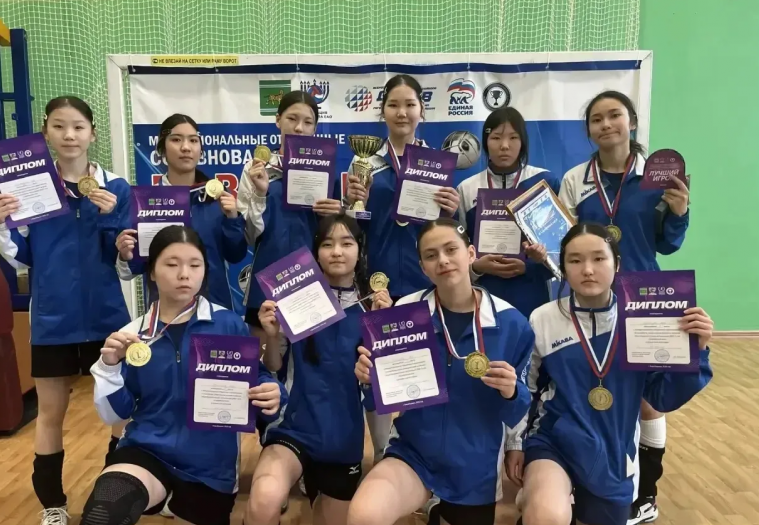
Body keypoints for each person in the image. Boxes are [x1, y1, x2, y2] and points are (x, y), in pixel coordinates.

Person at [505, 222, 712, 525]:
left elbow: (663, 397)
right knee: (546, 516)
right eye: (575, 260)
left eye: (599, 258)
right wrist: (515, 442)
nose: (588, 269)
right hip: (555, 441)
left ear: (617, 264)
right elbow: (527, 388)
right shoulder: (544, 318)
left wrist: (697, 351)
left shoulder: (644, 319)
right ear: (563, 267)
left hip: (615, 450)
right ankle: (539, 500)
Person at [0, 96, 130, 525]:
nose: (70, 135)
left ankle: (112, 498)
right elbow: (22, 258)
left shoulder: (117, 187)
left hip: (107, 317)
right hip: (53, 318)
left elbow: (126, 261)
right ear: (46, 131)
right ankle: (53, 504)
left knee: (121, 412)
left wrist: (112, 220)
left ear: (92, 133)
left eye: (78, 127)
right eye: (60, 126)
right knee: (51, 414)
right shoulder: (28, 187)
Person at [82, 226, 287, 525]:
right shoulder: (132, 335)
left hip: (210, 466)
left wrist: (271, 391)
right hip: (147, 450)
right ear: (152, 271)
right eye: (171, 264)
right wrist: (109, 367)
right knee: (104, 513)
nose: (184, 274)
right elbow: (116, 414)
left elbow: (258, 380)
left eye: (194, 265)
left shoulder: (229, 325)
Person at [558, 91, 692, 524]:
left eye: (614, 115)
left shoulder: (657, 174)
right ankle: (589, 486)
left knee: (648, 401)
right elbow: (563, 241)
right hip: (591, 301)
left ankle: (645, 493)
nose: (605, 124)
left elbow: (667, 245)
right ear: (588, 130)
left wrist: (679, 213)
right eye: (596, 119)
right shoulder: (575, 179)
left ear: (631, 121)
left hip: (646, 297)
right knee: (597, 392)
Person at [348, 218, 535, 525]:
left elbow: (519, 407)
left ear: (471, 254)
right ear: (423, 267)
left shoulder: (512, 323)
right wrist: (369, 379)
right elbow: (378, 399)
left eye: (451, 250)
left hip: (475, 463)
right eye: (431, 255)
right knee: (364, 515)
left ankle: (438, 511)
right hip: (414, 451)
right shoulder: (405, 311)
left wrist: (512, 393)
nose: (443, 260)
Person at [245, 214, 392, 525]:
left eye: (346, 243)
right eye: (327, 244)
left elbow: (378, 396)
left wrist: (383, 335)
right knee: (263, 500)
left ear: (360, 251)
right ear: (315, 253)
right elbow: (273, 367)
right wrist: (271, 335)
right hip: (293, 427)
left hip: (343, 440)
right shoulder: (294, 302)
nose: (337, 252)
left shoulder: (372, 309)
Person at [237, 91, 342, 344]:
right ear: (277, 120)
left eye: (308, 122)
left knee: (311, 363)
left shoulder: (326, 170)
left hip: (312, 280)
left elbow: (337, 236)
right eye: (292, 118)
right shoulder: (256, 169)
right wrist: (260, 195)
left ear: (315, 128)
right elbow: (248, 235)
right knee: (267, 363)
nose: (299, 128)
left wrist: (337, 216)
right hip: (267, 281)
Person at [345, 74, 461, 301]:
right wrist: (355, 206)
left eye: (410, 105)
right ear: (383, 110)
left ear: (421, 110)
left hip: (427, 278)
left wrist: (450, 213)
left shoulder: (437, 164)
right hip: (376, 278)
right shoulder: (364, 161)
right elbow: (353, 229)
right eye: (393, 105)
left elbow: (447, 230)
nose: (401, 113)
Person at [115, 113, 248, 310]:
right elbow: (131, 270)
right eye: (176, 140)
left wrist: (232, 219)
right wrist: (125, 255)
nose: (186, 147)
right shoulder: (146, 203)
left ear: (201, 150)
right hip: (165, 314)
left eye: (193, 140)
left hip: (214, 309)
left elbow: (236, 255)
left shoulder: (218, 199)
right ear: (162, 149)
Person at [457, 106, 560, 319]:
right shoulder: (466, 188)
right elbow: (458, 247)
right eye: (496, 138)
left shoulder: (544, 182)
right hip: (484, 292)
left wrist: (529, 267)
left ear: (523, 142)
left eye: (513, 137)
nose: (504, 146)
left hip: (532, 292)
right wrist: (475, 268)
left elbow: (562, 246)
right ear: (486, 142)